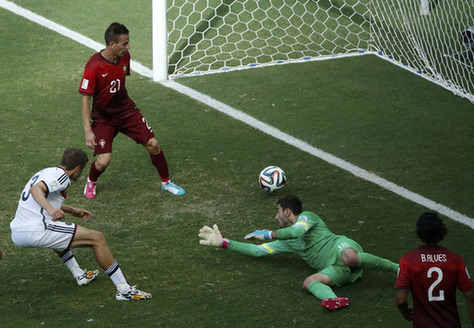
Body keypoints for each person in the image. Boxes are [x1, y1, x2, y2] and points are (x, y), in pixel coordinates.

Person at [198, 194, 398, 311]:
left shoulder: (307, 218)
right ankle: (332, 299)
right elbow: (257, 251)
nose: (276, 217)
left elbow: (296, 231)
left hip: (341, 247)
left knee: (350, 257)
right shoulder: (287, 243)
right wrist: (224, 242)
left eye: (278, 212)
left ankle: (397, 268)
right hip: (335, 269)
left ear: (287, 212)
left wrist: (269, 234)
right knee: (310, 282)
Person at [10, 148, 152, 301]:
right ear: (77, 168)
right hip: (36, 230)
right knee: (97, 238)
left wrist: (72, 210)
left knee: (59, 236)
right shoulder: (62, 177)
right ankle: (124, 289)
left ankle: (79, 274)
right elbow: (35, 190)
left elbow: (40, 197)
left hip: (18, 231)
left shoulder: (47, 172)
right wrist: (51, 210)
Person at [79, 22, 185, 198]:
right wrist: (88, 130)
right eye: (124, 43)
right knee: (103, 161)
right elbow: (85, 98)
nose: (128, 47)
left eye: (128, 43)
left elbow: (120, 81)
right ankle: (91, 181)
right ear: (112, 44)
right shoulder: (94, 65)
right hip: (104, 118)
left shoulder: (124, 57)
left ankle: (166, 183)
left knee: (153, 144)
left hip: (127, 112)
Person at [395, 212, 474, 327]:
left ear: (419, 233)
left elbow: (401, 299)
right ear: (442, 232)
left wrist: (405, 312)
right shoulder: (455, 260)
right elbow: (471, 295)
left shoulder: (408, 260)